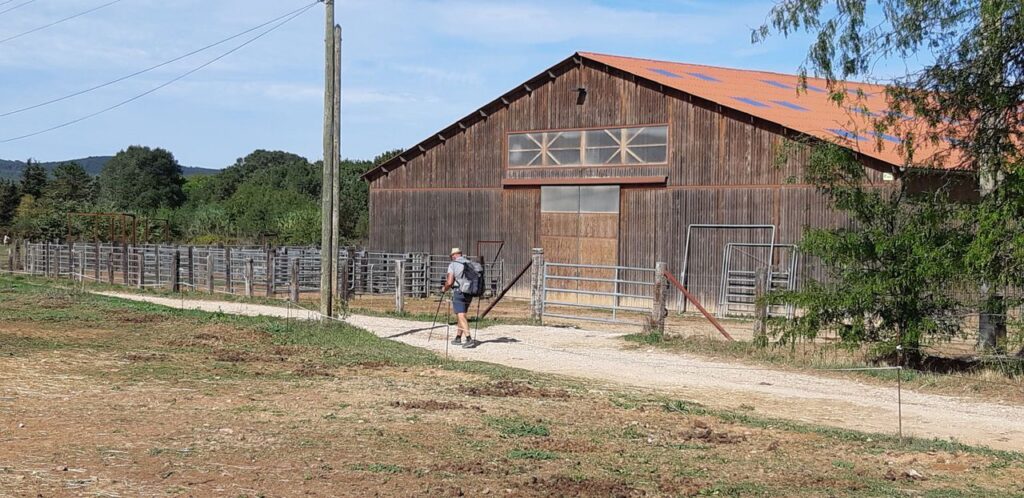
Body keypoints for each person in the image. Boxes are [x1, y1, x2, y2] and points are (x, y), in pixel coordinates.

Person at [442, 248, 477, 348]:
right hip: (469, 291)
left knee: (461, 315)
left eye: (451, 256)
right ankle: (458, 337)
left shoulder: (453, 265)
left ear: (454, 255)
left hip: (459, 291)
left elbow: (449, 282)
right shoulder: (469, 263)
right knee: (462, 314)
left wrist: (444, 288)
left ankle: (469, 338)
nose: (451, 257)